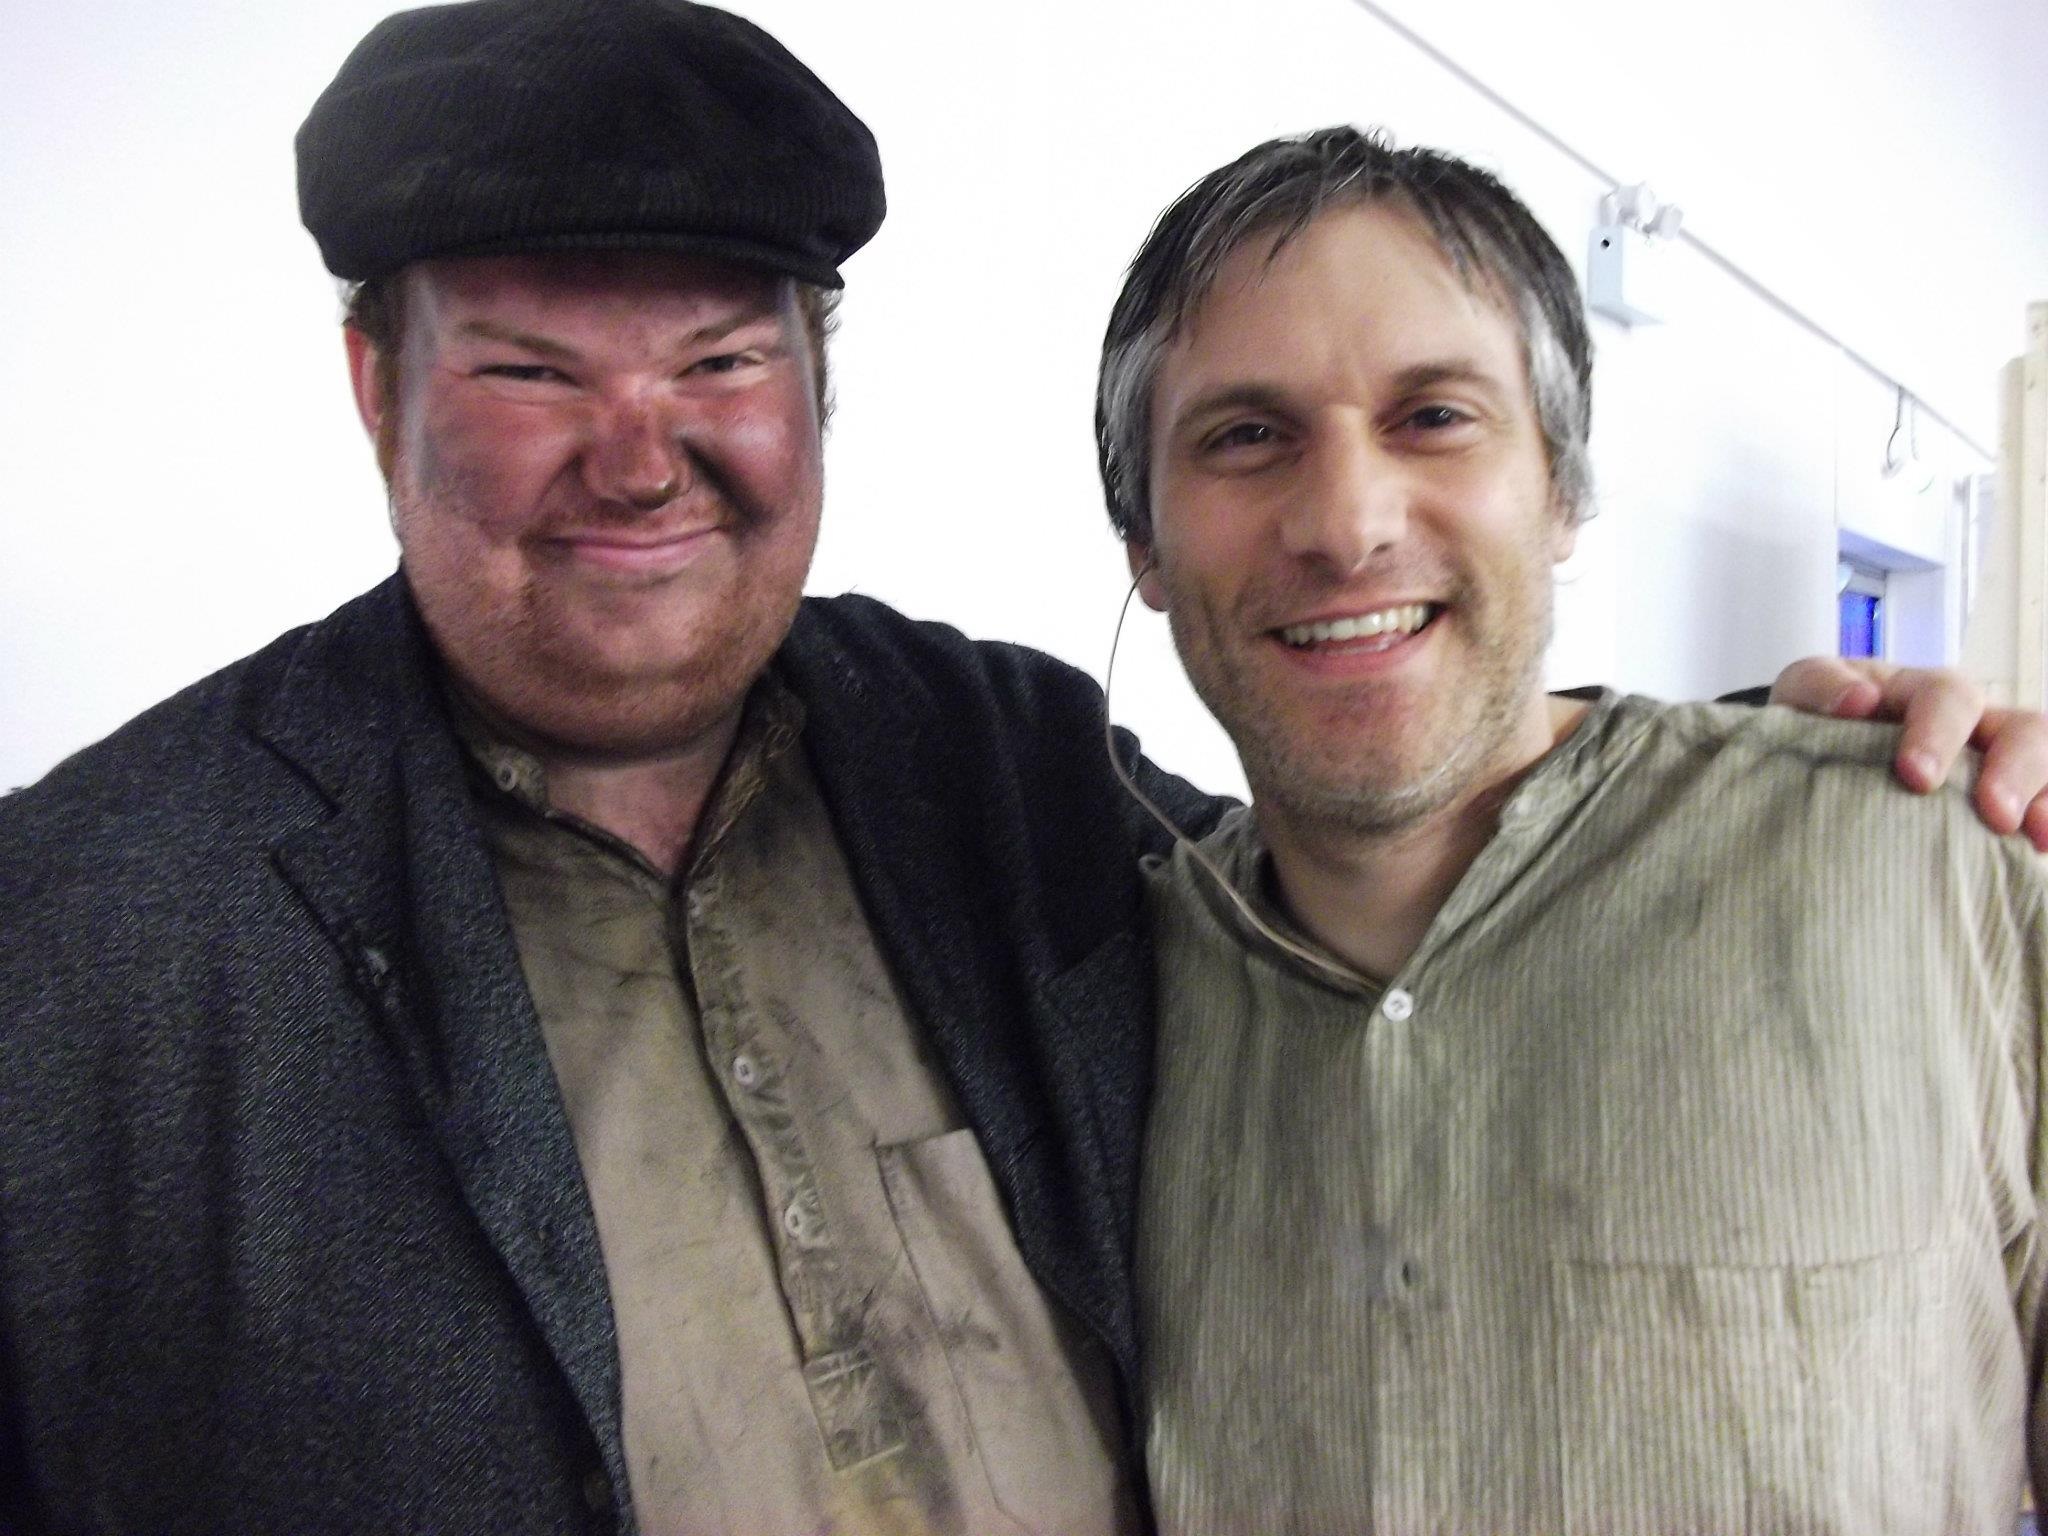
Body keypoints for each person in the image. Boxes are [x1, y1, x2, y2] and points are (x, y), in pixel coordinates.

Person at [0, 4, 2034, 1531]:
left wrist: (1864, 775)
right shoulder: (83, 941)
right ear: (381, 387)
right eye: (532, 372)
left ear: (816, 385)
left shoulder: (1000, 771)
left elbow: (1397, 803)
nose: (639, 453)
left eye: (717, 361)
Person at [1109, 126, 2048, 1534]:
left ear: (1562, 488)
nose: (1348, 522)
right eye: (1247, 436)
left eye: (1434, 416)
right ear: (1144, 545)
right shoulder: (1098, 1015)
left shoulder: (1929, 862)